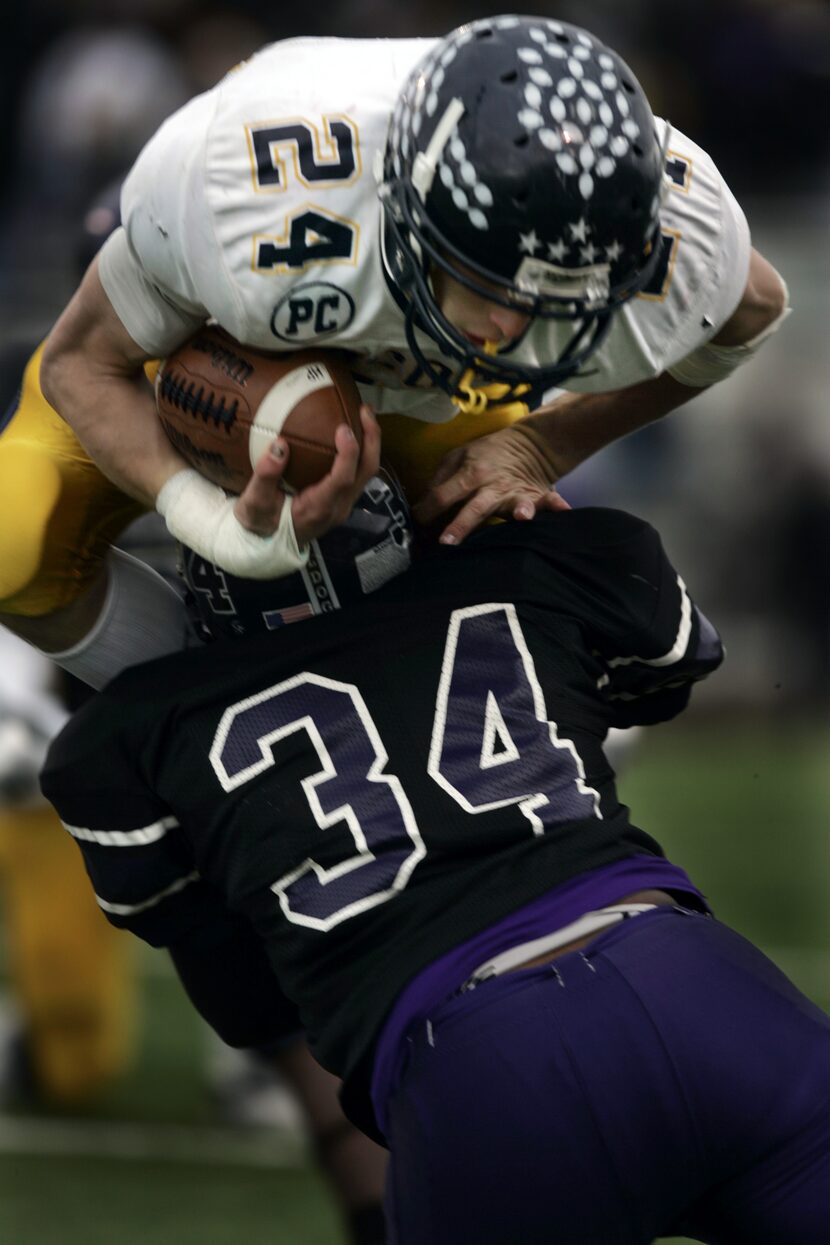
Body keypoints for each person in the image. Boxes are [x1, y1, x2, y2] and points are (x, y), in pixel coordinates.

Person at [41, 498, 830, 1243]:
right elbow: (672, 662)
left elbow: (249, 1009)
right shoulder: (524, 568)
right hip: (704, 990)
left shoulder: (139, 730)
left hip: (488, 1071)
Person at [9, 14, 786, 691]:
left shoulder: (686, 239)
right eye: (487, 283)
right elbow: (82, 364)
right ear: (407, 207)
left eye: (551, 300)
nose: (509, 328)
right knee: (16, 537)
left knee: (511, 576)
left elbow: (751, 309)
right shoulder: (240, 192)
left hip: (446, 388)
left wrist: (544, 443)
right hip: (224, 350)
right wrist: (212, 526)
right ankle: (203, 716)